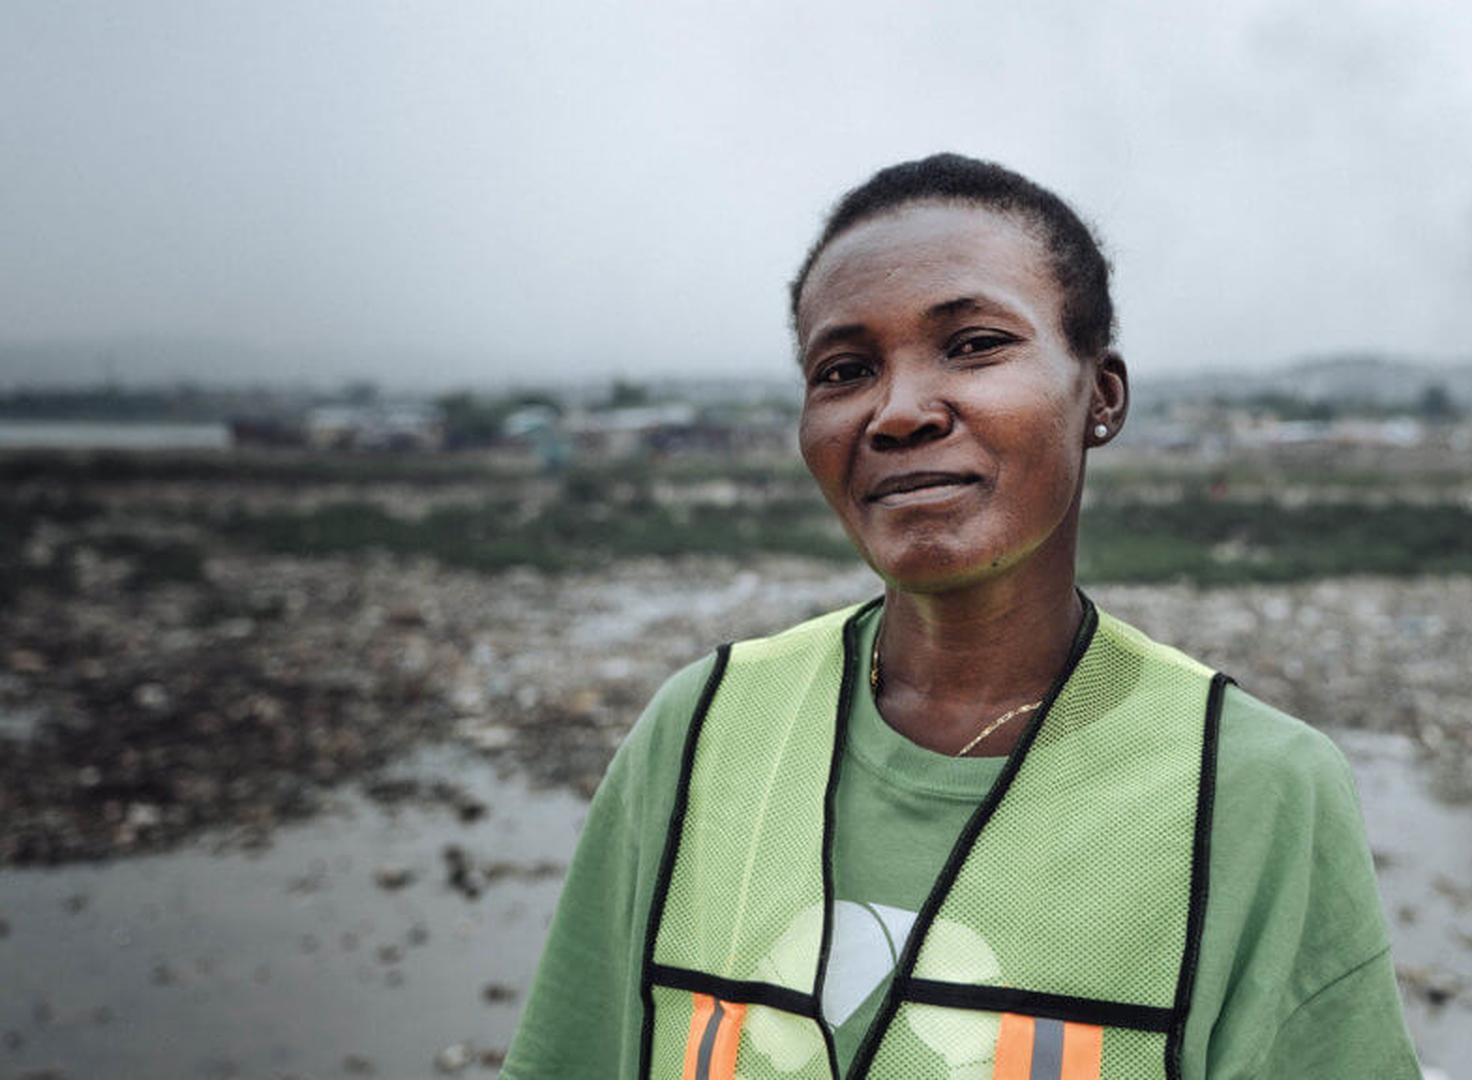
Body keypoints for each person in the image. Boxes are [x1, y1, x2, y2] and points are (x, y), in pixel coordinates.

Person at [501, 154, 1420, 1079]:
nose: (897, 412)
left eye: (975, 344)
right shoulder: (699, 733)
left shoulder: (1253, 787)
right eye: (844, 369)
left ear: (1100, 395)